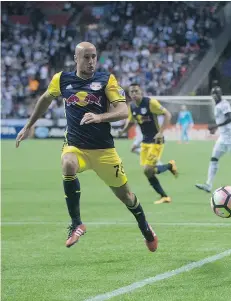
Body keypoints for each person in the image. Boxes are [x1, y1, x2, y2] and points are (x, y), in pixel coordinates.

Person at [15, 42, 158, 251]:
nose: (91, 62)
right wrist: (29, 125)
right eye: (86, 57)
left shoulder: (106, 80)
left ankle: (145, 228)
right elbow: (45, 99)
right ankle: (76, 223)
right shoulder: (61, 79)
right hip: (75, 146)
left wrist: (99, 117)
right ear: (76, 58)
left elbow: (122, 111)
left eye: (94, 57)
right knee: (67, 164)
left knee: (126, 196)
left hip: (104, 151)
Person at [119, 83, 178, 205]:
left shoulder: (151, 103)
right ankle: (165, 194)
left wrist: (161, 133)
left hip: (156, 141)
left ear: (141, 92)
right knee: (147, 172)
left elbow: (168, 114)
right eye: (132, 92)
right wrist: (122, 132)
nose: (134, 94)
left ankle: (169, 170)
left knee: (148, 168)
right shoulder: (132, 107)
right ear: (129, 95)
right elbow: (130, 122)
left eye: (136, 91)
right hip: (145, 142)